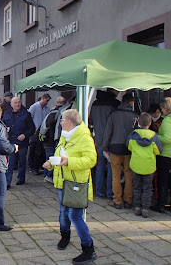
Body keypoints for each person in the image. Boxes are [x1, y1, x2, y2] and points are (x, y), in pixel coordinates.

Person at [42, 109, 97, 264]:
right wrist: (51, 164)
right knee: (63, 212)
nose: (60, 122)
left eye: (62, 120)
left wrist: (69, 162)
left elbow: (91, 160)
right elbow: (60, 154)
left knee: (74, 216)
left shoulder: (84, 137)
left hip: (76, 183)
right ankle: (65, 237)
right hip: (63, 182)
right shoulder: (65, 135)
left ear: (70, 122)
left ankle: (89, 249)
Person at [102, 93, 138, 209]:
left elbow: (108, 132)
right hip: (129, 147)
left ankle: (117, 200)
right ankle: (128, 200)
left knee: (115, 175)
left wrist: (105, 147)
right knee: (128, 174)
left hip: (115, 146)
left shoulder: (114, 114)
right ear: (131, 102)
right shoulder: (134, 115)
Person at [126, 112, 162, 218]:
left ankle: (137, 207)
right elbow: (159, 151)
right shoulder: (154, 136)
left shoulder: (132, 135)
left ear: (138, 123)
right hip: (149, 166)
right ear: (150, 123)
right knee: (147, 188)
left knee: (136, 187)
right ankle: (145, 208)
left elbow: (129, 147)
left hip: (136, 165)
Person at [89, 89, 120, 199]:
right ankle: (110, 192)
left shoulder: (94, 104)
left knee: (100, 165)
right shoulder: (114, 104)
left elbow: (90, 121)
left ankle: (99, 190)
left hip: (98, 139)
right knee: (112, 166)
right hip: (111, 139)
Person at [2, 97, 35, 188]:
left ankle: (21, 178)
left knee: (22, 161)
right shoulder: (6, 114)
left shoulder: (26, 114)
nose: (17, 104)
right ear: (11, 104)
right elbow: (3, 125)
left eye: (19, 102)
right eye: (15, 103)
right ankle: (7, 182)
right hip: (10, 142)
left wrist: (24, 135)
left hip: (22, 143)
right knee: (10, 163)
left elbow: (32, 128)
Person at [39, 96, 67, 183]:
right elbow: (47, 124)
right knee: (51, 157)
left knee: (49, 156)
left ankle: (47, 175)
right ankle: (48, 175)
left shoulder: (52, 110)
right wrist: (43, 134)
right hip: (50, 139)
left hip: (48, 138)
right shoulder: (56, 112)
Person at [28, 93, 51, 175]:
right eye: (47, 100)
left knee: (40, 150)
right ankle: (31, 166)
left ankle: (38, 166)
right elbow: (29, 117)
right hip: (34, 132)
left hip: (42, 132)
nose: (47, 102)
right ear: (43, 98)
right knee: (33, 149)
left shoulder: (47, 109)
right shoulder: (34, 107)